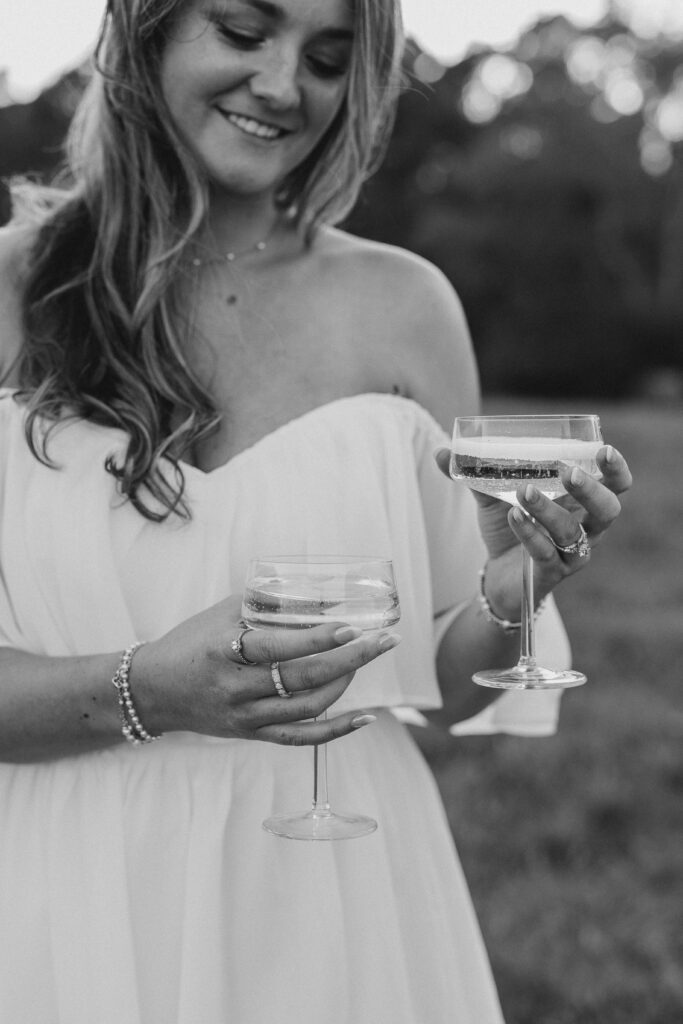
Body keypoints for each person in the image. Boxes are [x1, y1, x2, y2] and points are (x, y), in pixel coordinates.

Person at [0, 0, 631, 1021]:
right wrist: (148, 690)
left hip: (338, 892)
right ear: (146, 32)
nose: (286, 86)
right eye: (246, 34)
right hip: (72, 896)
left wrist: (517, 585)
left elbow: (437, 677)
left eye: (328, 58)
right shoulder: (12, 291)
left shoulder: (406, 304)